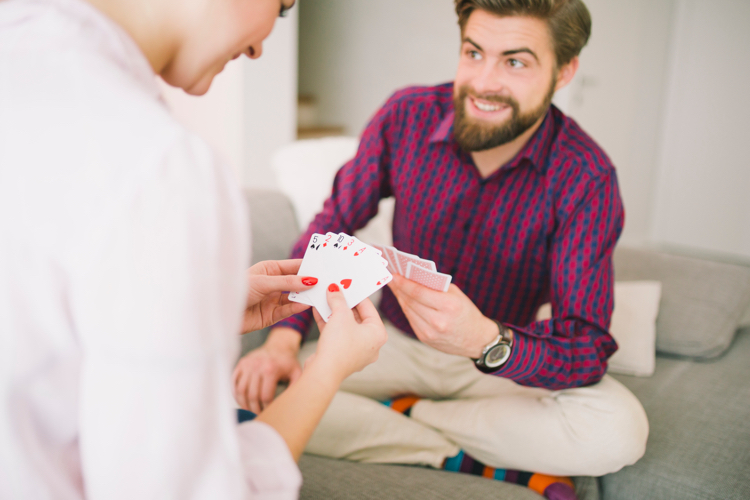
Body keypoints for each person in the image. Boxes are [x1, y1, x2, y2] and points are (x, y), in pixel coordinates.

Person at [234, 0, 649, 497]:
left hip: (495, 365)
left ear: (564, 72)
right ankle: (464, 454)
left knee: (618, 430)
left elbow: (585, 344)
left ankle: (412, 416)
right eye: (474, 53)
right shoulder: (405, 115)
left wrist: (486, 341)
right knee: (260, 392)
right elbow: (335, 221)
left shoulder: (587, 177)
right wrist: (282, 340)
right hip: (388, 345)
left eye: (515, 62)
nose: (484, 81)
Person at [0, 0, 386, 499]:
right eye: (283, 8)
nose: (260, 46)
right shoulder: (160, 165)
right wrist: (327, 369)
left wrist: (196, 311)